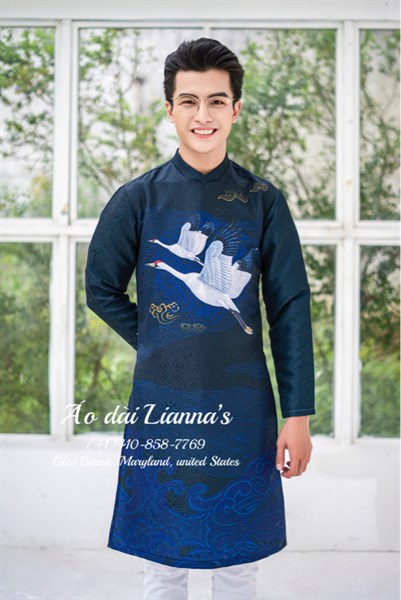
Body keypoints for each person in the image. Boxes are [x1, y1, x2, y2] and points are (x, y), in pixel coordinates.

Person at [85, 37, 315, 600]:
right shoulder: (138, 199)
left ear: (236, 109)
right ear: (170, 110)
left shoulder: (263, 201)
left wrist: (298, 414)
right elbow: (100, 289)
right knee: (162, 565)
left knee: (238, 566)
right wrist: (158, 342)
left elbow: (289, 307)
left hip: (244, 408)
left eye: (216, 101)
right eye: (188, 101)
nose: (202, 114)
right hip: (163, 405)